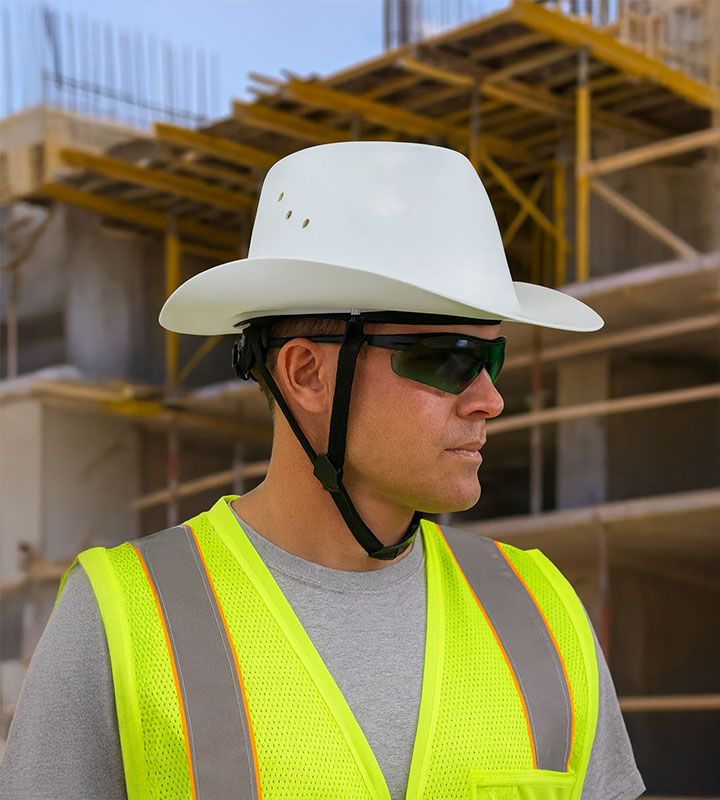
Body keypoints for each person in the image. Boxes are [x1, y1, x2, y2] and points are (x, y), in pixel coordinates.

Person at [0, 141, 645, 800]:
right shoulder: (123, 622)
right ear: (306, 373)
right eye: (446, 358)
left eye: (492, 359)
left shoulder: (545, 613)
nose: (489, 398)